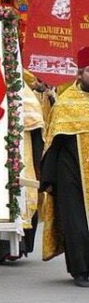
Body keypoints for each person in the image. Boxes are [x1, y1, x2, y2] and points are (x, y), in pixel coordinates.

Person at [0, 78, 45, 263]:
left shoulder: (22, 89)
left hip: (21, 155)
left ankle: (16, 248)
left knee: (21, 197)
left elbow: (35, 124)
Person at [40, 47, 89, 288]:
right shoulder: (66, 104)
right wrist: (49, 179)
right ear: (80, 74)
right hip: (73, 175)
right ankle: (81, 270)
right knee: (76, 222)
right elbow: (53, 144)